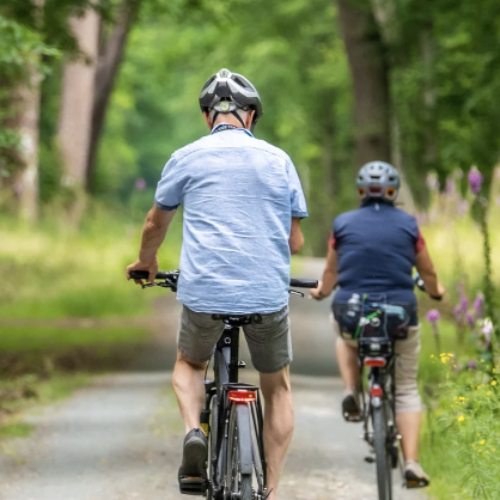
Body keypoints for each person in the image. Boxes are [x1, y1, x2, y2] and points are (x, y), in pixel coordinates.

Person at [126, 68, 308, 499]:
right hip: (266, 293)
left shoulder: (186, 157)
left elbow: (156, 222)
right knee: (277, 384)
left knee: (189, 364)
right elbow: (295, 241)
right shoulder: (279, 160)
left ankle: (194, 432)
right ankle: (273, 489)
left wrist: (146, 262)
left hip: (205, 291)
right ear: (252, 117)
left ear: (209, 117)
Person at [310, 161, 445, 487]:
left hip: (353, 313)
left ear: (360, 191)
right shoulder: (409, 225)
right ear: (393, 191)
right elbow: (426, 270)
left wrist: (322, 291)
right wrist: (437, 291)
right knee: (408, 388)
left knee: (343, 336)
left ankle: (352, 391)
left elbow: (331, 272)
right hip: (399, 315)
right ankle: (411, 463)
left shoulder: (342, 224)